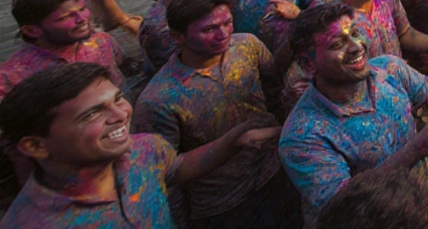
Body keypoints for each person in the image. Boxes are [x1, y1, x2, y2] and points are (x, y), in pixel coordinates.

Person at [278, 3, 428, 226]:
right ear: (308, 65)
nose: (356, 46)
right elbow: (345, 207)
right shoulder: (302, 135)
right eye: (337, 44)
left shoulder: (388, 70)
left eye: (354, 33)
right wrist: (417, 149)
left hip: (425, 201)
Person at [0, 62, 278, 229]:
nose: (122, 115)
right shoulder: (31, 223)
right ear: (36, 146)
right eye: (92, 113)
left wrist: (233, 141)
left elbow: (176, 167)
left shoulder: (143, 149)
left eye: (118, 99)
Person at [132, 0, 299, 228]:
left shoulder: (247, 46)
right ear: (177, 37)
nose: (223, 34)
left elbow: (275, 82)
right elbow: (164, 173)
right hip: (222, 204)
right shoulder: (159, 100)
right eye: (209, 29)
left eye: (228, 23)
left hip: (274, 172)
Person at [0, 0, 127, 98]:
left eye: (82, 9)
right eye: (67, 16)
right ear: (32, 31)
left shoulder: (101, 42)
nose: (82, 19)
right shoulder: (13, 75)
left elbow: (125, 67)